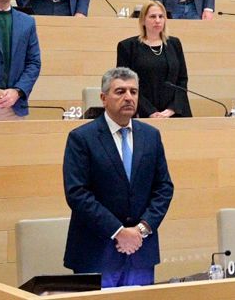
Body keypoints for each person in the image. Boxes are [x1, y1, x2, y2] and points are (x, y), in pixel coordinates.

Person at [62, 67, 174, 287]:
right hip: (97, 252)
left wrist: (141, 230)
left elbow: (164, 187)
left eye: (133, 92)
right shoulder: (81, 138)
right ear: (103, 98)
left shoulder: (151, 136)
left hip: (141, 251)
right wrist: (119, 232)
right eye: (120, 91)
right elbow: (77, 193)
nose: (128, 97)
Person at [116, 0, 192, 119]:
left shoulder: (174, 43)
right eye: (152, 16)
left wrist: (171, 109)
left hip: (175, 113)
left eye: (161, 16)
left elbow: (182, 80)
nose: (157, 20)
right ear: (143, 20)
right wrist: (150, 111)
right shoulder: (127, 47)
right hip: (142, 113)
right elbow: (125, 84)